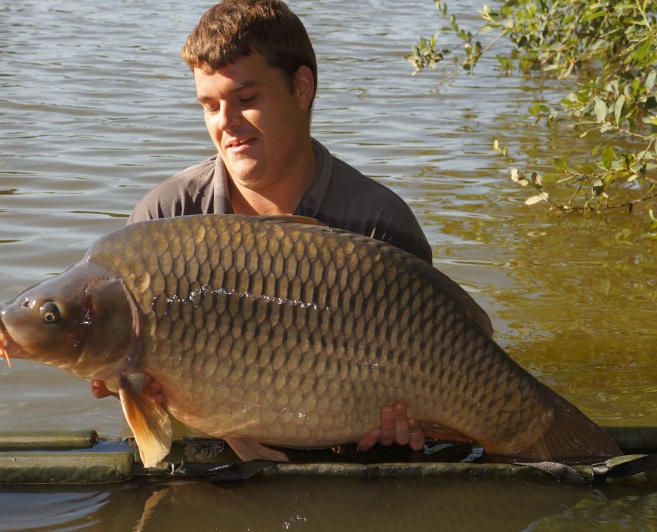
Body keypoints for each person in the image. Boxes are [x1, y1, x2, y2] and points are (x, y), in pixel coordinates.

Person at [94, 0, 429, 454]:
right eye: (210, 106)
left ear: (302, 87)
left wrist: (405, 430)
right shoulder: (161, 221)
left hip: (342, 454)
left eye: (246, 100)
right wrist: (130, 388)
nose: (226, 123)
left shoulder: (379, 224)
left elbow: (436, 363)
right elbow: (133, 384)